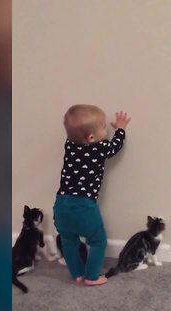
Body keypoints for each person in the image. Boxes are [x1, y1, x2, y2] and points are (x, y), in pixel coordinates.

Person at [53, 105, 131, 286]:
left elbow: (76, 132)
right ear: (91, 138)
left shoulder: (70, 145)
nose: (107, 130)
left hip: (61, 204)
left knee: (69, 242)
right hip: (84, 206)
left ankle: (78, 274)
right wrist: (120, 129)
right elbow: (115, 147)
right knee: (97, 242)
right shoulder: (100, 148)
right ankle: (91, 276)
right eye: (104, 128)